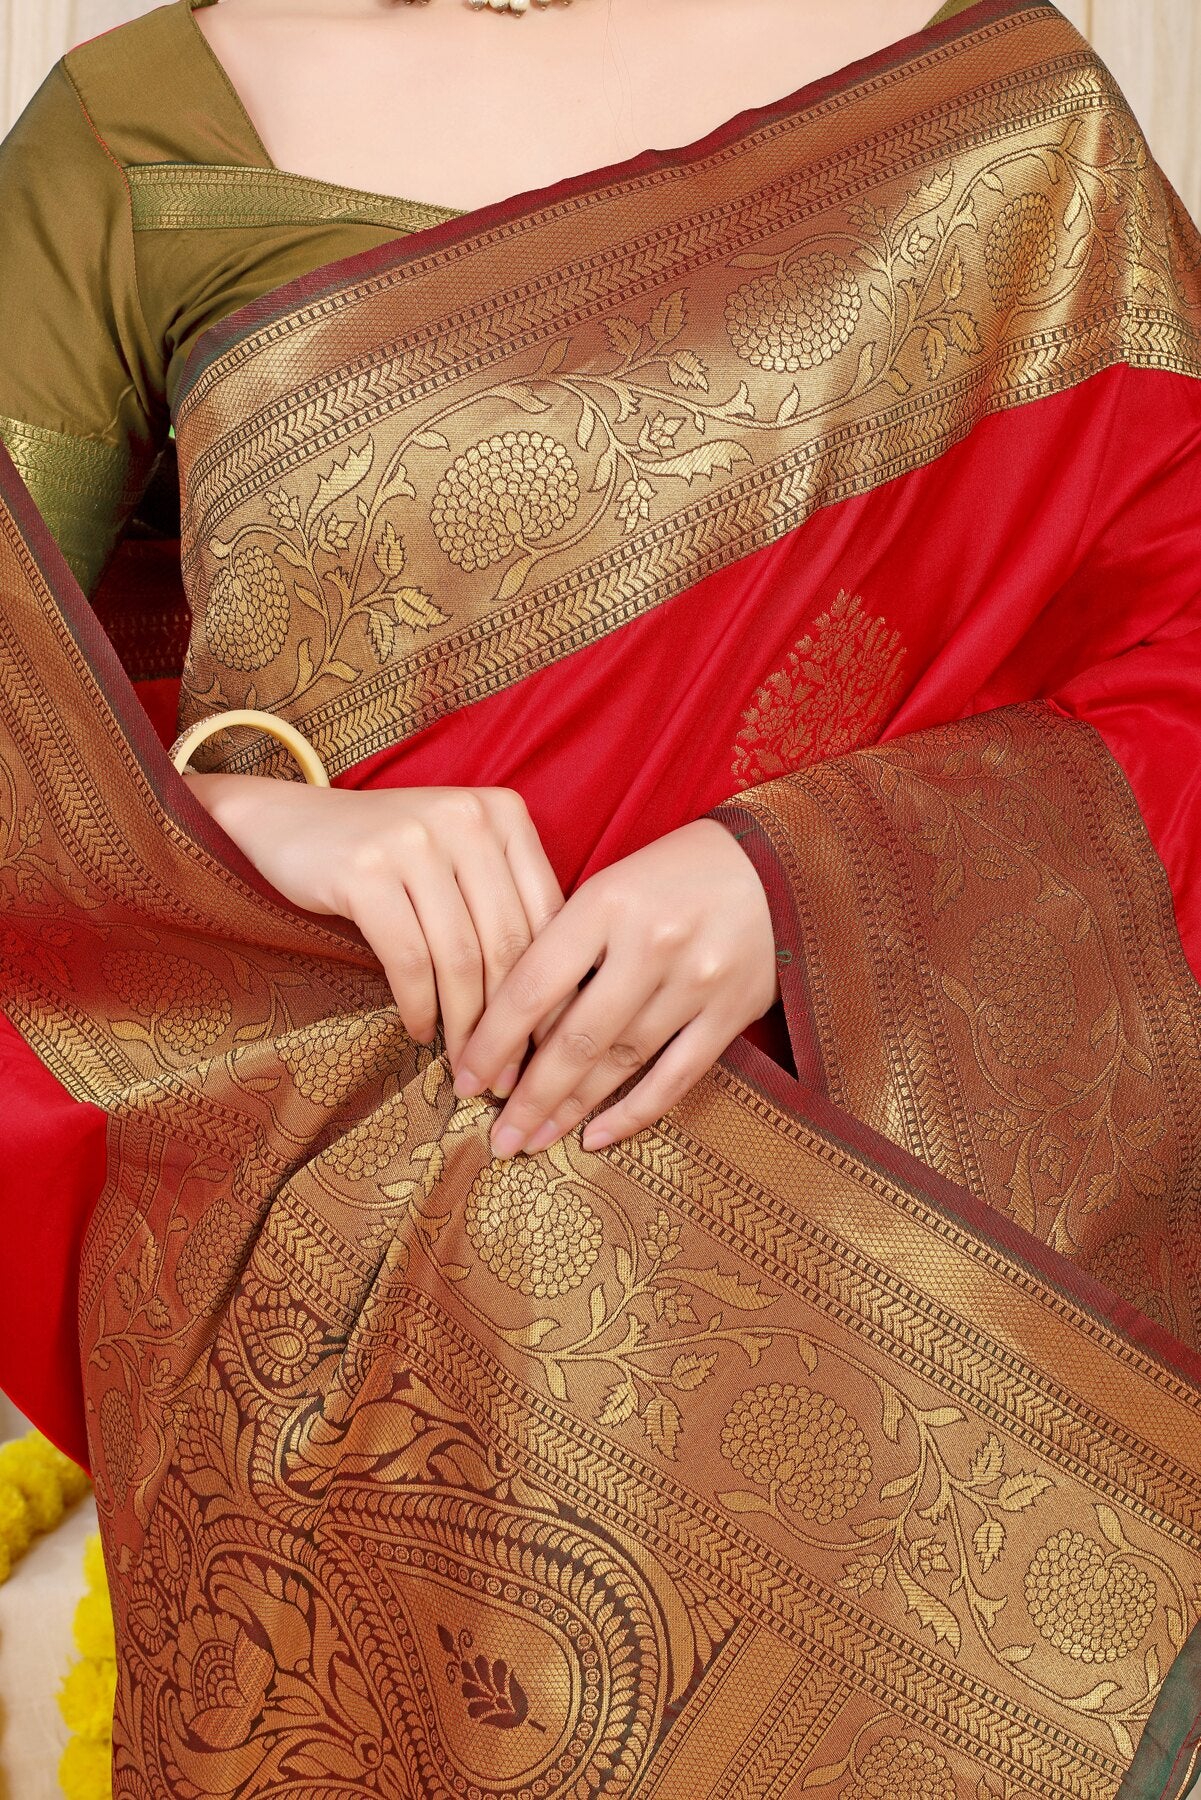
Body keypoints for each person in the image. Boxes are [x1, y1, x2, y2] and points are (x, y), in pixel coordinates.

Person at [0, 1, 1199, 1794]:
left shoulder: (996, 112)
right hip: (338, 1354)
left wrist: (796, 875)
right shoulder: (144, 135)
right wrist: (254, 830)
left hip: (883, 1349)